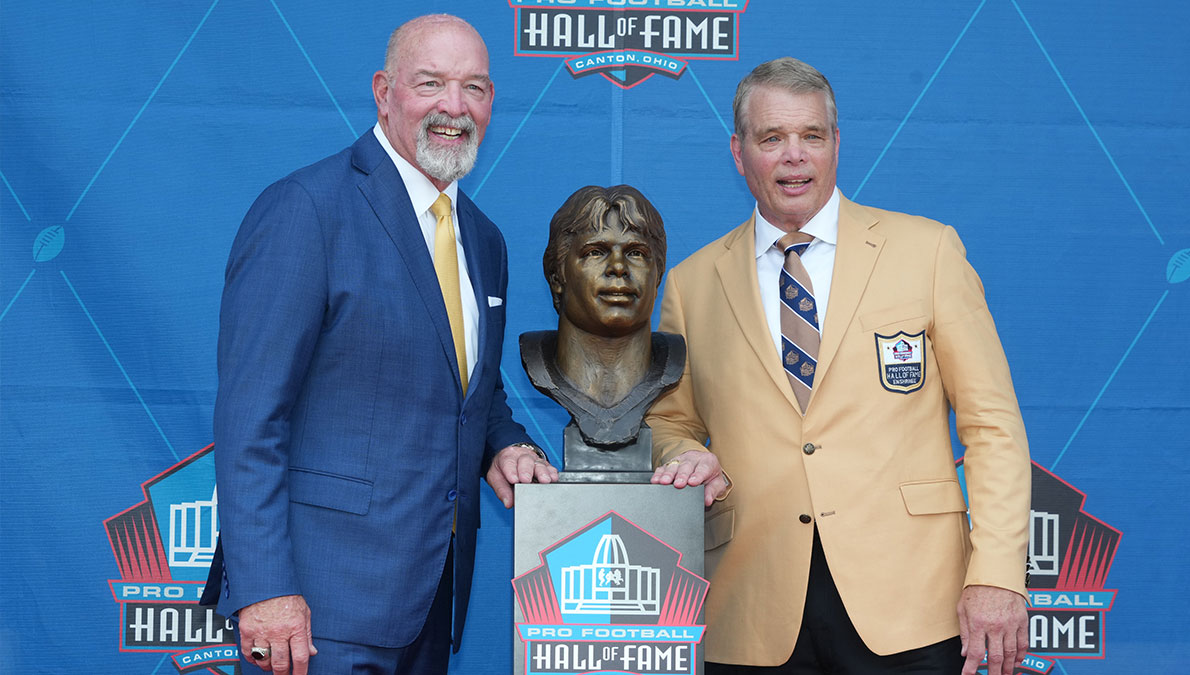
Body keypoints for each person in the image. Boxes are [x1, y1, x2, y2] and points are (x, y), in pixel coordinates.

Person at [646, 57, 1031, 675]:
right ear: (738, 153)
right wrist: (679, 454)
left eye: (812, 136)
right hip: (753, 606)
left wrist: (997, 575)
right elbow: (670, 423)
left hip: (911, 603)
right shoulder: (692, 284)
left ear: (836, 144)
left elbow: (992, 425)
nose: (794, 156)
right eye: (772, 138)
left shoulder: (927, 251)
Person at [200, 14, 557, 675]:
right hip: (315, 609)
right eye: (432, 83)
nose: (454, 107)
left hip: (429, 604)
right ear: (383, 90)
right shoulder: (306, 209)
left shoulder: (483, 238)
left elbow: (467, 385)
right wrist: (268, 587)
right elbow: (252, 417)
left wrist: (503, 441)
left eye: (474, 87)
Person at [520, 186, 727, 501]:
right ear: (557, 276)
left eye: (636, 253)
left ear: (657, 275)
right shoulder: (539, 362)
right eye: (595, 251)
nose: (618, 267)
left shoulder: (675, 363)